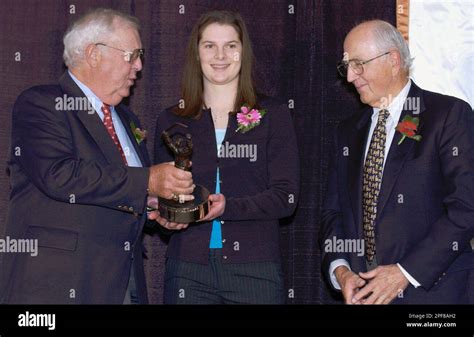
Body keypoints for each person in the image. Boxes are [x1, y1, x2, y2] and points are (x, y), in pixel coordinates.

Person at [0, 8, 193, 304]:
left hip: (123, 285)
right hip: (57, 285)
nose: (139, 66)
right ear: (93, 54)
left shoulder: (130, 121)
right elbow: (59, 175)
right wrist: (147, 181)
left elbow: (121, 189)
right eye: (131, 55)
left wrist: (154, 207)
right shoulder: (42, 103)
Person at [320, 20, 474, 304]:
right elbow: (333, 213)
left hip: (435, 296)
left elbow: (466, 209)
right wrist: (341, 269)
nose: (351, 77)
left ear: (393, 60)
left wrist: (405, 272)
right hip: (364, 297)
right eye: (347, 67)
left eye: (358, 64)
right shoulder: (346, 132)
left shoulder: (448, 116)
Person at [152, 10, 299, 304]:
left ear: (243, 53)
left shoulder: (274, 114)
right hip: (187, 270)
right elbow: (157, 193)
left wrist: (228, 207)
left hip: (255, 269)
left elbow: (287, 197)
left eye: (231, 45)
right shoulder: (171, 119)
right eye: (209, 45)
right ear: (196, 53)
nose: (220, 55)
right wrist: (162, 217)